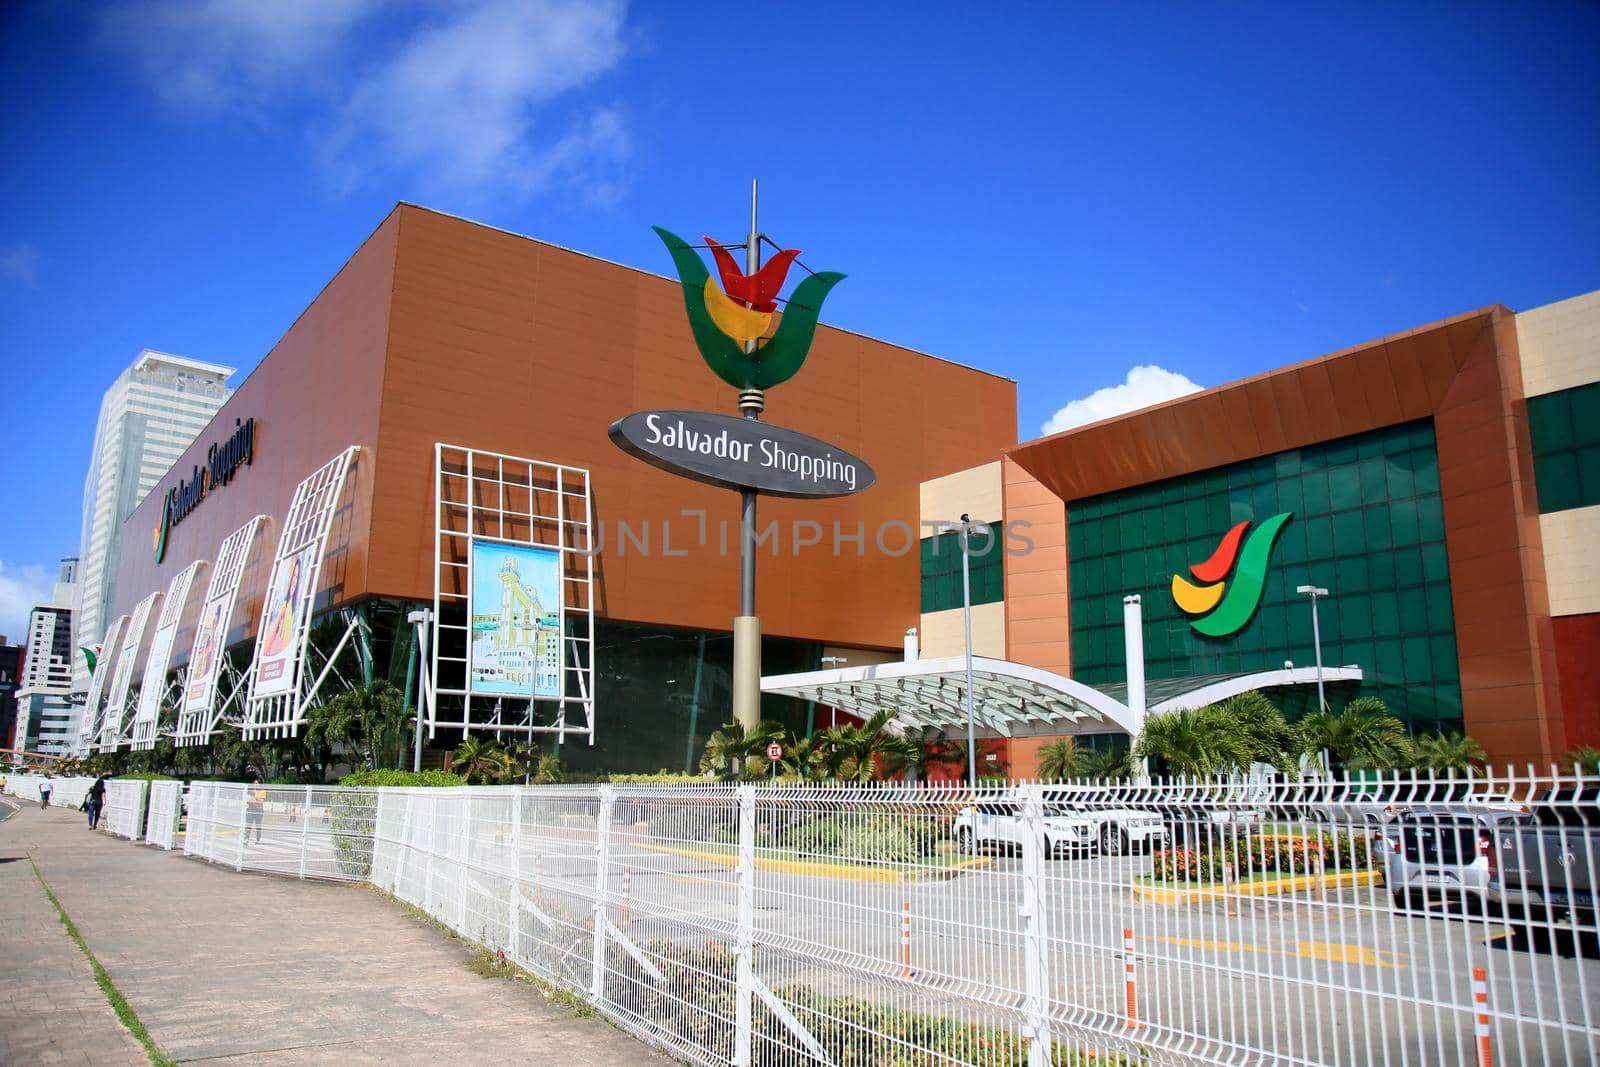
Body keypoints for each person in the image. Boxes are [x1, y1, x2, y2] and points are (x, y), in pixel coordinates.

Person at [245, 774, 266, 844]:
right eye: (254, 783)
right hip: (250, 809)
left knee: (258, 825)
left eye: (256, 783)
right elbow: (248, 799)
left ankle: (258, 839)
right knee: (248, 825)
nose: (255, 785)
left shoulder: (262, 791)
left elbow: (261, 801)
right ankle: (246, 839)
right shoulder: (251, 791)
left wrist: (255, 797)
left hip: (259, 810)